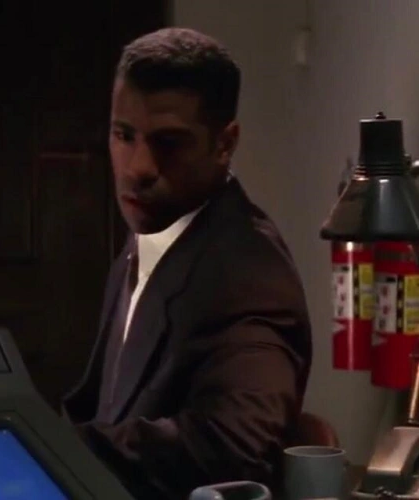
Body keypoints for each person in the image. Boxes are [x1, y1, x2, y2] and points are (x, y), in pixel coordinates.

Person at [61, 27, 312, 500]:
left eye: (169, 143)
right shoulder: (151, 235)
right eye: (124, 135)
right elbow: (98, 408)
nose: (138, 167)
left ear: (225, 143)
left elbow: (234, 446)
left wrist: (56, 451)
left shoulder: (250, 275)